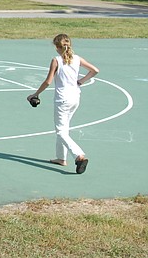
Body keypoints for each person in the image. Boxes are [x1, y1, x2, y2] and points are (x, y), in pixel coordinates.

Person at [27, 34, 99, 174]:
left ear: (58, 47)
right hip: (75, 97)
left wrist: (35, 94)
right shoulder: (77, 59)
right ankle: (61, 158)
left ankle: (79, 156)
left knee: (60, 131)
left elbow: (48, 82)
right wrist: (81, 82)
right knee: (64, 129)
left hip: (62, 99)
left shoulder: (56, 60)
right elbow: (95, 70)